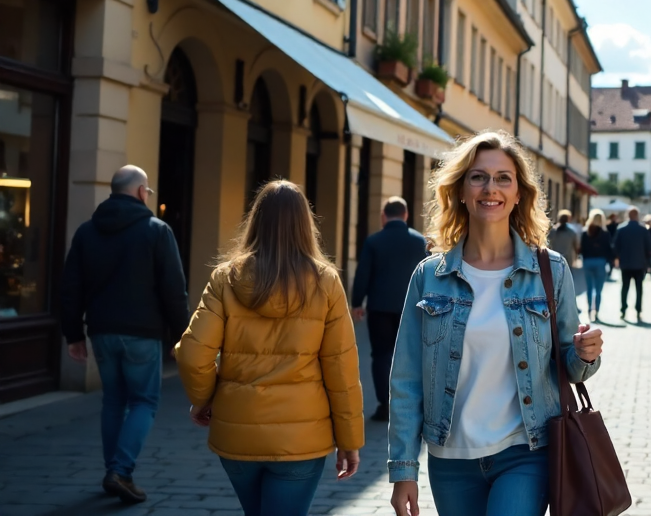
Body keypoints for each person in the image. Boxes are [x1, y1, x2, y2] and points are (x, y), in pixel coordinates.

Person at [388, 131, 603, 516]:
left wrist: (585, 354)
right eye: (478, 177)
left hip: (527, 451)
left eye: (504, 178)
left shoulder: (550, 270)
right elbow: (406, 377)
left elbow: (569, 363)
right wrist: (404, 469)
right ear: (460, 191)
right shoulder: (430, 276)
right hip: (450, 460)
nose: (491, 188)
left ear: (519, 193)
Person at [175, 180, 363, 516]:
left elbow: (192, 353)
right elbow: (342, 370)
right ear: (305, 225)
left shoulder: (226, 278)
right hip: (301, 440)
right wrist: (350, 440)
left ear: (256, 221)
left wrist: (204, 399)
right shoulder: (326, 282)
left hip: (237, 432)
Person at [59, 165, 189, 504]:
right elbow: (174, 290)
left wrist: (73, 334)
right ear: (142, 191)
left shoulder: (87, 232)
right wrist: (182, 336)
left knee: (114, 401)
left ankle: (114, 471)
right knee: (144, 401)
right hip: (142, 334)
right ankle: (120, 471)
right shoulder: (156, 231)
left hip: (101, 332)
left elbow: (70, 287)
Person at [350, 196, 429, 422]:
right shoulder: (420, 242)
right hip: (412, 309)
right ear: (406, 215)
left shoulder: (374, 241)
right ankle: (409, 404)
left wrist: (357, 302)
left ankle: (385, 405)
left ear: (383, 216)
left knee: (381, 356)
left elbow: (363, 273)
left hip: (380, 308)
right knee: (411, 356)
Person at [614, 207, 651, 323]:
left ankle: (623, 309)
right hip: (639, 264)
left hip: (626, 264)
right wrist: (648, 262)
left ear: (628, 215)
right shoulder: (643, 230)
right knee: (639, 288)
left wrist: (618, 258)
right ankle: (638, 310)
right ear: (637, 216)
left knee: (625, 287)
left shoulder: (621, 229)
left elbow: (615, 246)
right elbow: (650, 248)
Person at [581, 209, 616, 322]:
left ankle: (589, 310)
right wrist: (610, 262)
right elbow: (609, 249)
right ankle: (596, 311)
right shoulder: (605, 234)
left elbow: (582, 248)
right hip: (601, 262)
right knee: (598, 290)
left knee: (589, 288)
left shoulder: (585, 233)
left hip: (588, 262)